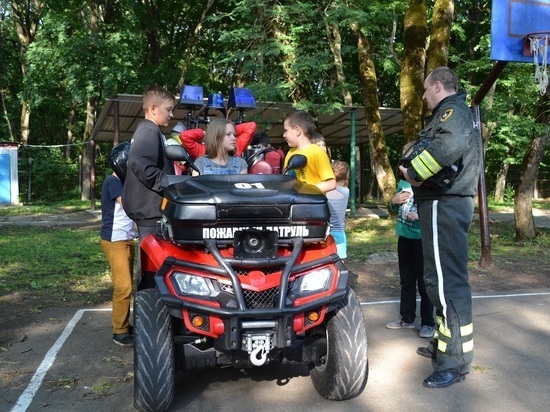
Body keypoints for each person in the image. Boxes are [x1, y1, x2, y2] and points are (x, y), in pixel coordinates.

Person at [399, 66, 482, 389]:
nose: (422, 96)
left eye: (424, 90)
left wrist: (412, 173)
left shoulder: (452, 114)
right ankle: (445, 347)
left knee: (448, 284)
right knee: (437, 281)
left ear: (436, 86)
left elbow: (446, 149)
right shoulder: (454, 113)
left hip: (444, 202)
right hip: (440, 203)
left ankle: (455, 362)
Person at [386, 142, 435, 338]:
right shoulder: (402, 183)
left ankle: (428, 323)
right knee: (407, 281)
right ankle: (406, 319)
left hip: (422, 239)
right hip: (404, 238)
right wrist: (393, 202)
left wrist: (420, 217)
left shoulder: (428, 182)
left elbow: (433, 211)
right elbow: (392, 209)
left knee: (424, 283)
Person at [122, 85, 176, 245]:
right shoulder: (148, 130)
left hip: (149, 212)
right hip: (150, 213)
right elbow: (139, 162)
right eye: (168, 109)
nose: (171, 115)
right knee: (152, 264)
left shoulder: (149, 130)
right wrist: (167, 183)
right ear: (153, 108)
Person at [101, 142, 137, 347]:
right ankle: (119, 331)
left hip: (124, 239)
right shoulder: (113, 182)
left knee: (127, 285)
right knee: (123, 287)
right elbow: (130, 206)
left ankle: (123, 324)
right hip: (115, 240)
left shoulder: (120, 183)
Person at [282, 110, 336, 193]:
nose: (284, 135)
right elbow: (285, 179)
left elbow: (331, 183)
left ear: (297, 130)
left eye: (286, 130)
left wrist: (303, 190)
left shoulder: (317, 152)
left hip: (311, 204)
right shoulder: (290, 153)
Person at [179, 118, 256, 160]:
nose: (234, 138)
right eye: (228, 134)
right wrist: (209, 134)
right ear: (217, 136)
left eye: (234, 135)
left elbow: (251, 126)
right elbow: (184, 136)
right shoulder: (201, 151)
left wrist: (229, 129)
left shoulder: (236, 147)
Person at [325, 160, 350, 259]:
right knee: (340, 262)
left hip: (324, 232)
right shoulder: (346, 191)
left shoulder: (323, 191)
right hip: (339, 232)